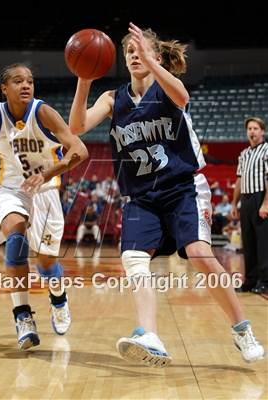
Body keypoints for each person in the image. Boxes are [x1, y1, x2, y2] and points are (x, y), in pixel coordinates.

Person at [68, 23, 265, 366]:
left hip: (182, 187)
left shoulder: (166, 88)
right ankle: (150, 334)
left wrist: (152, 61)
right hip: (141, 197)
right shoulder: (113, 99)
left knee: (201, 254)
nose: (134, 56)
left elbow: (183, 97)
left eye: (140, 50)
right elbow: (76, 128)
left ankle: (241, 329)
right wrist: (85, 79)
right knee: (133, 258)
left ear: (156, 56)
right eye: (129, 52)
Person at [0, 63, 88, 350]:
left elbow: (79, 151)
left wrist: (47, 173)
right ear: (4, 88)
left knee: (46, 263)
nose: (26, 85)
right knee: (16, 241)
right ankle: (23, 317)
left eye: (30, 81)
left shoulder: (43, 112)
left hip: (45, 190)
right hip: (9, 189)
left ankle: (58, 298)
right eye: (18, 81)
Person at [231, 117, 268, 294]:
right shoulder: (244, 153)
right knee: (248, 241)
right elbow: (239, 179)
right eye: (249, 129)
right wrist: (234, 203)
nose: (252, 131)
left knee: (263, 242)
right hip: (245, 199)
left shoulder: (267, 149)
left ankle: (265, 281)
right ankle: (251, 280)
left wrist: (266, 203)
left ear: (262, 131)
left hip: (261, 197)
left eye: (255, 128)